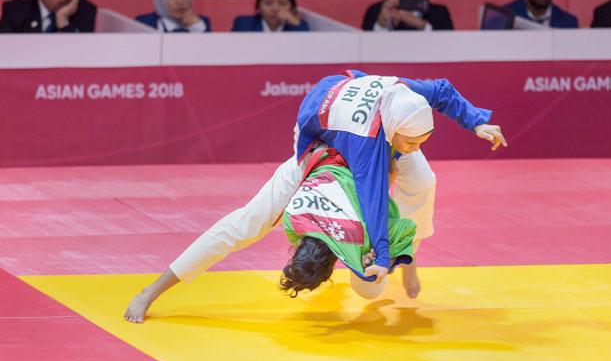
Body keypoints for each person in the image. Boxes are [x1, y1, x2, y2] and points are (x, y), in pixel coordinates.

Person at [125, 69, 507, 323]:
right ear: (392, 131)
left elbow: (442, 91)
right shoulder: (367, 145)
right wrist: (383, 254)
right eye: (410, 142)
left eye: (423, 139)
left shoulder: (405, 97)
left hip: (357, 113)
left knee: (423, 179)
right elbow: (373, 196)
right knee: (247, 223)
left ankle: (411, 255)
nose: (414, 147)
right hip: (316, 146)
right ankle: (152, 291)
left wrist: (477, 122)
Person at [281, 147, 417, 299]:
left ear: (332, 266)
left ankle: (406, 265)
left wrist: (386, 260)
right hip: (323, 152)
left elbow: (406, 228)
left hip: (370, 156)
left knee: (369, 287)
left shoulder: (356, 239)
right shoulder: (290, 219)